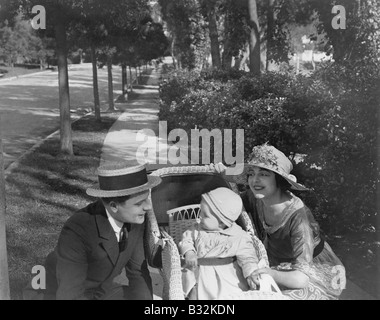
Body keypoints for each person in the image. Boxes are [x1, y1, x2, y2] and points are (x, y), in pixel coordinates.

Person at [209, 143, 346, 300]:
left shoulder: (299, 217)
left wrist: (270, 273)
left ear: (279, 179)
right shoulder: (255, 196)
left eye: (264, 174)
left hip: (313, 271)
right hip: (277, 261)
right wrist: (223, 174)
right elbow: (230, 207)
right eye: (251, 174)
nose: (255, 180)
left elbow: (301, 278)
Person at [24, 163, 162, 300]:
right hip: (56, 292)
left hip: (100, 291)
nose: (148, 207)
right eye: (139, 203)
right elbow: (69, 293)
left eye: (147, 198)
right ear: (114, 206)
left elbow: (138, 272)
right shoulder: (78, 229)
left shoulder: (135, 219)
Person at [178, 187, 261, 300]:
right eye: (200, 211)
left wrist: (251, 273)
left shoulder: (239, 237)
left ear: (222, 222)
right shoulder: (197, 229)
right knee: (194, 293)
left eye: (205, 215)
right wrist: (190, 252)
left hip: (227, 276)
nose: (199, 216)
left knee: (231, 295)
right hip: (200, 272)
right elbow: (186, 240)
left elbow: (247, 258)